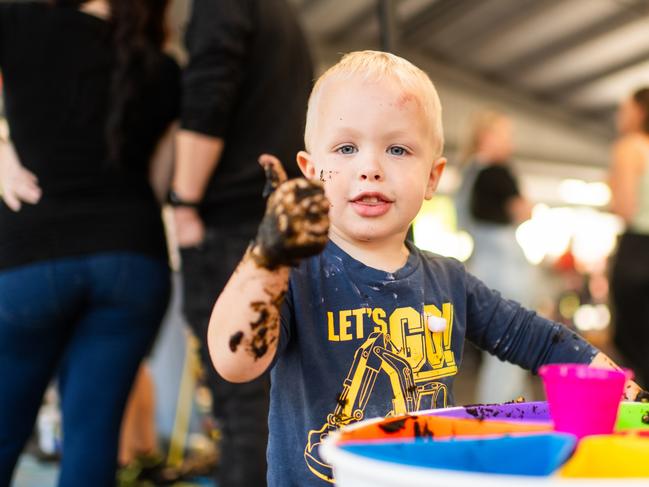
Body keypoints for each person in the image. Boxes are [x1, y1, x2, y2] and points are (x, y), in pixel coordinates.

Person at [206, 51, 641, 487]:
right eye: (346, 148)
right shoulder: (294, 272)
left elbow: (541, 341)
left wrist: (635, 402)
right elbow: (234, 362)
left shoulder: (450, 280)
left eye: (397, 149)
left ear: (432, 178)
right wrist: (267, 258)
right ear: (310, 171)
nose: (370, 169)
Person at [0, 1, 179, 486]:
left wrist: (2, 155)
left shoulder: (20, 20)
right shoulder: (162, 67)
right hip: (132, 260)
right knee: (93, 437)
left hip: (32, 257)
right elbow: (161, 182)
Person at [170, 0, 313, 485]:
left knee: (242, 410)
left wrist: (183, 202)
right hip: (273, 224)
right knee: (271, 405)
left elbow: (208, 97)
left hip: (232, 225)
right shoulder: (284, 16)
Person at [454, 110, 536, 403]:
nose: (510, 144)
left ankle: (508, 409)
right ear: (487, 137)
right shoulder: (498, 172)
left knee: (496, 350)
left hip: (482, 266)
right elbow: (523, 211)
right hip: (506, 267)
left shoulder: (468, 173)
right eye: (505, 136)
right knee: (513, 346)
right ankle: (506, 414)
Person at [609, 88, 649, 389]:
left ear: (639, 111)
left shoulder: (630, 147)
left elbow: (623, 208)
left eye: (624, 109)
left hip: (638, 251)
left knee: (631, 343)